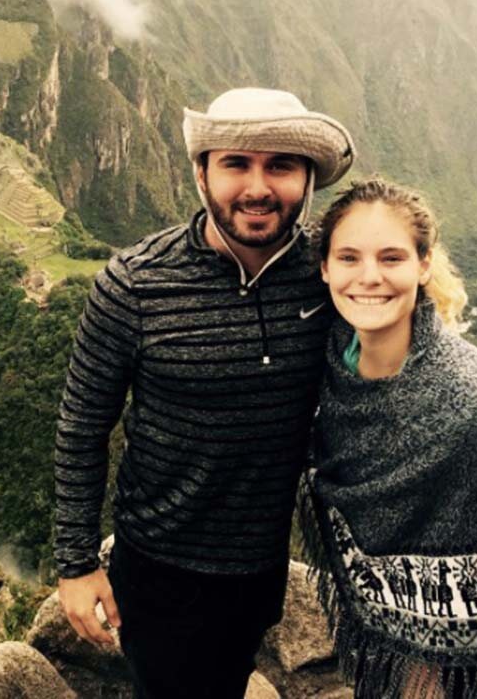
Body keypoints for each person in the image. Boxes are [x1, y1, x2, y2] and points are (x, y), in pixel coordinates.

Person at [55, 87, 356, 699]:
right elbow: (82, 425)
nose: (257, 187)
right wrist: (76, 564)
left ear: (306, 180)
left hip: (260, 563)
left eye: (281, 165)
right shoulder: (135, 284)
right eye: (236, 164)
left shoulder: (330, 273)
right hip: (160, 566)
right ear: (201, 173)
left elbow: (409, 330)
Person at [300, 177, 477, 699]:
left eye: (392, 258)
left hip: (457, 654)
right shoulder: (331, 351)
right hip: (377, 619)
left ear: (424, 265)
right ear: (325, 268)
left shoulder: (468, 409)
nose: (369, 277)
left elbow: (465, 586)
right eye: (349, 258)